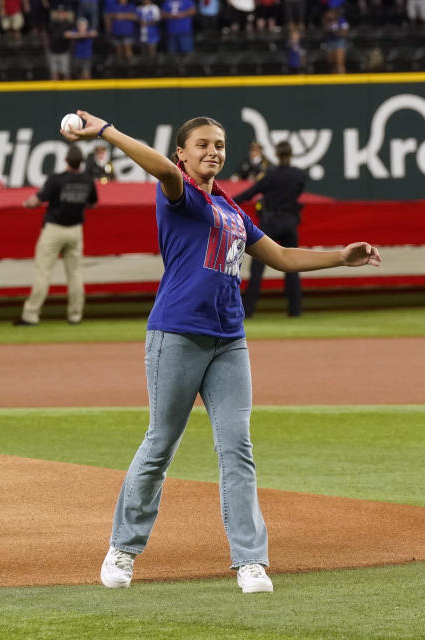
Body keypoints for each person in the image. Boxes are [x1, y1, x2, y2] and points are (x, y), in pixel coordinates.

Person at [56, 110, 380, 593]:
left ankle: (250, 561)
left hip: (229, 340)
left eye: (221, 145)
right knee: (161, 444)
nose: (214, 152)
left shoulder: (231, 208)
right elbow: (163, 171)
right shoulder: (178, 194)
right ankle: (122, 549)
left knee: (238, 448)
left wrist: (342, 256)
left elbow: (283, 257)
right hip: (177, 333)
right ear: (183, 154)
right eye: (203, 144)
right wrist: (106, 131)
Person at [13, 145, 98, 326]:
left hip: (54, 230)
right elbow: (92, 204)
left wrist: (25, 203)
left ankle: (31, 315)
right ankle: (75, 315)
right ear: (81, 162)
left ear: (66, 160)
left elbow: (37, 200)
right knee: (75, 274)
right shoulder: (87, 180)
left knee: (43, 272)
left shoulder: (56, 179)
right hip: (75, 231)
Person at [234, 140, 307, 318]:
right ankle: (295, 310)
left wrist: (227, 202)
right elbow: (297, 194)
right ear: (291, 154)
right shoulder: (299, 175)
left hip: (270, 222)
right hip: (290, 222)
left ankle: (248, 311)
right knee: (293, 267)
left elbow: (250, 193)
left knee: (258, 268)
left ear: (276, 155)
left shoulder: (271, 175)